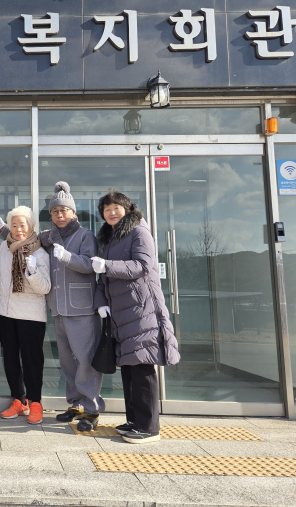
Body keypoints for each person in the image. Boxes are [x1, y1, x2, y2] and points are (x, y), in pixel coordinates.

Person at [0, 181, 105, 432]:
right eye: (55, 211)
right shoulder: (49, 237)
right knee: (68, 361)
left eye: (64, 210)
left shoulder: (85, 235)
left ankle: (92, 409)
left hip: (81, 307)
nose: (59, 215)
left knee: (85, 359)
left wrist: (67, 257)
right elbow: (21, 236)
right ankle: (76, 404)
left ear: (73, 212)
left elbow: (90, 265)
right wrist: (0, 227)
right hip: (58, 308)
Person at [92, 190, 180, 444]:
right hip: (122, 313)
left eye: (116, 207)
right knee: (129, 368)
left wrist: (107, 265)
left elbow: (142, 266)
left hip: (142, 309)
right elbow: (103, 278)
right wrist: (101, 303)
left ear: (127, 208)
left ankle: (148, 427)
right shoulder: (111, 239)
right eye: (106, 209)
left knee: (142, 366)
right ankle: (134, 421)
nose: (111, 212)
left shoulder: (139, 232)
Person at [0, 205, 51, 424]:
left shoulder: (39, 252)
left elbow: (45, 287)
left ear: (31, 226)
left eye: (22, 225)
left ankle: (35, 402)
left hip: (31, 315)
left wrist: (33, 272)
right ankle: (19, 400)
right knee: (10, 358)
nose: (18, 229)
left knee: (32, 360)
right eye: (14, 225)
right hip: (6, 311)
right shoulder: (5, 247)